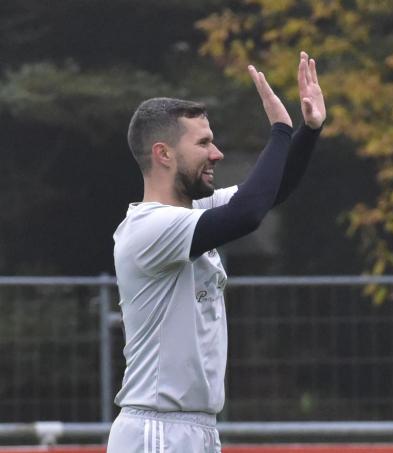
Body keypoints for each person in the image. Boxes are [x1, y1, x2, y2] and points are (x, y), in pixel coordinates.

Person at [107, 52, 326, 453]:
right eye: (203, 143)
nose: (217, 153)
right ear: (163, 154)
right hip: (158, 430)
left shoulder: (192, 212)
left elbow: (270, 192)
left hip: (197, 428)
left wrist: (308, 131)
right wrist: (279, 130)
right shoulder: (148, 228)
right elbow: (247, 215)